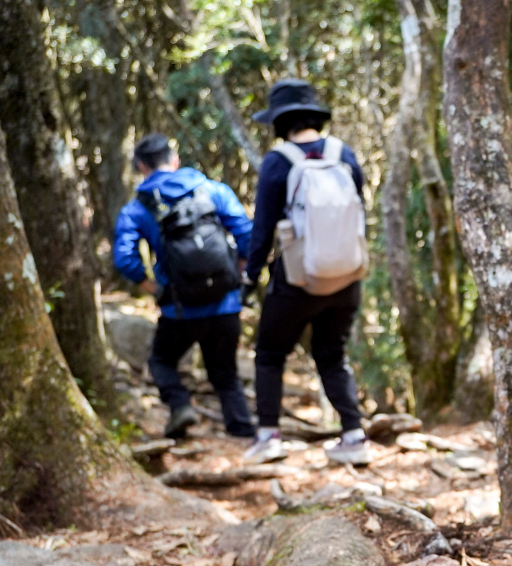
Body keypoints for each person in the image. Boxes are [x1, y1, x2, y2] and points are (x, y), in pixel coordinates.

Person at [243, 79, 373, 466]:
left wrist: (251, 275)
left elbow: (263, 227)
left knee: (269, 353)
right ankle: (354, 435)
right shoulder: (343, 152)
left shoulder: (278, 161)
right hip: (347, 276)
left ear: (280, 122)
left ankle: (268, 436)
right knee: (332, 354)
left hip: (297, 279)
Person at [114, 134, 255, 441]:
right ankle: (243, 434)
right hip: (225, 303)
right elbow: (247, 233)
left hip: (179, 309)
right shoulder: (212, 190)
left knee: (161, 362)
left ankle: (180, 406)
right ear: (174, 160)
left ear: (140, 166)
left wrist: (153, 287)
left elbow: (124, 258)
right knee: (226, 374)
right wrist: (239, 272)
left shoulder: (138, 207)